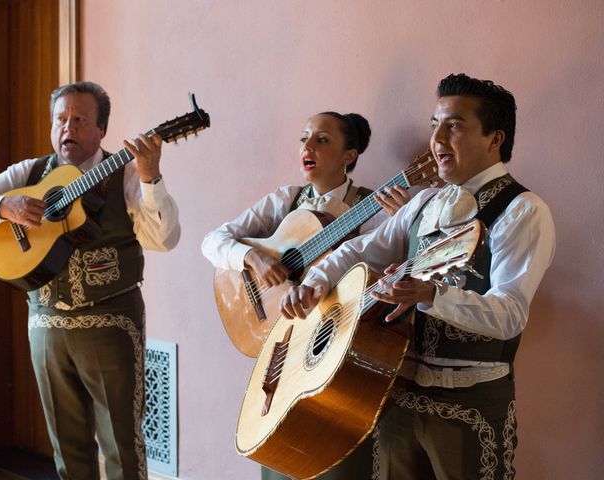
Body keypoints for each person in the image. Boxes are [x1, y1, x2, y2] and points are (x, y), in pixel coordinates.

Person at [280, 74, 555, 479]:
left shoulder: (522, 211)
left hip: (469, 401)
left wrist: (432, 294)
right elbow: (358, 250)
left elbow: (510, 313)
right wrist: (314, 283)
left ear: (495, 139)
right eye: (434, 125)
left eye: (454, 126)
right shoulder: (425, 200)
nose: (438, 139)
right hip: (395, 391)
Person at [0, 81, 180, 480]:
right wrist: (2, 207)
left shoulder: (127, 174)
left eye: (80, 120)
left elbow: (164, 239)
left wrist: (151, 178)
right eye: (61, 120)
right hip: (45, 326)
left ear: (101, 129)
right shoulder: (28, 173)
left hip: (111, 324)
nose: (68, 128)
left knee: (122, 449)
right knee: (67, 450)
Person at [201, 111, 409, 480]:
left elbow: (392, 268)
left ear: (349, 155)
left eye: (322, 139)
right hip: (281, 342)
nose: (308, 146)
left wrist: (403, 222)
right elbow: (213, 241)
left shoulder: (373, 209)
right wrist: (252, 259)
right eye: (304, 138)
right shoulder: (287, 200)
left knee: (332, 460)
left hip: (331, 352)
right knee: (276, 453)